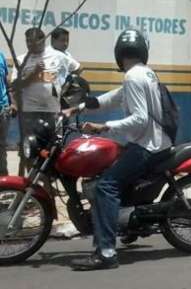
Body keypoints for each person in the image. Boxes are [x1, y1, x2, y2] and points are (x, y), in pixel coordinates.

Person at [65, 29, 172, 271]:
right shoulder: (145, 73)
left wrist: (104, 127)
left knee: (106, 186)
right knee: (110, 174)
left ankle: (106, 252)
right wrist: (77, 108)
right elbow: (111, 98)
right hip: (153, 141)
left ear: (119, 53)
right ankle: (125, 223)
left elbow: (140, 119)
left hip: (146, 145)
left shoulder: (133, 77)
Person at [10, 27, 81, 175]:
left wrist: (66, 86)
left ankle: (48, 187)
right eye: (27, 41)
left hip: (52, 112)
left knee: (53, 151)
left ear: (42, 40)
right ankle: (28, 185)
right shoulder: (21, 60)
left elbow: (77, 69)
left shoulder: (57, 56)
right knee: (28, 151)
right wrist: (33, 75)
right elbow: (15, 86)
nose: (30, 44)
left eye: (33, 40)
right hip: (29, 113)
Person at [0, 50, 15, 176]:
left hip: (3, 109)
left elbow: (6, 81)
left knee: (1, 146)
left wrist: (13, 103)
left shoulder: (1, 56)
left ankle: (3, 180)